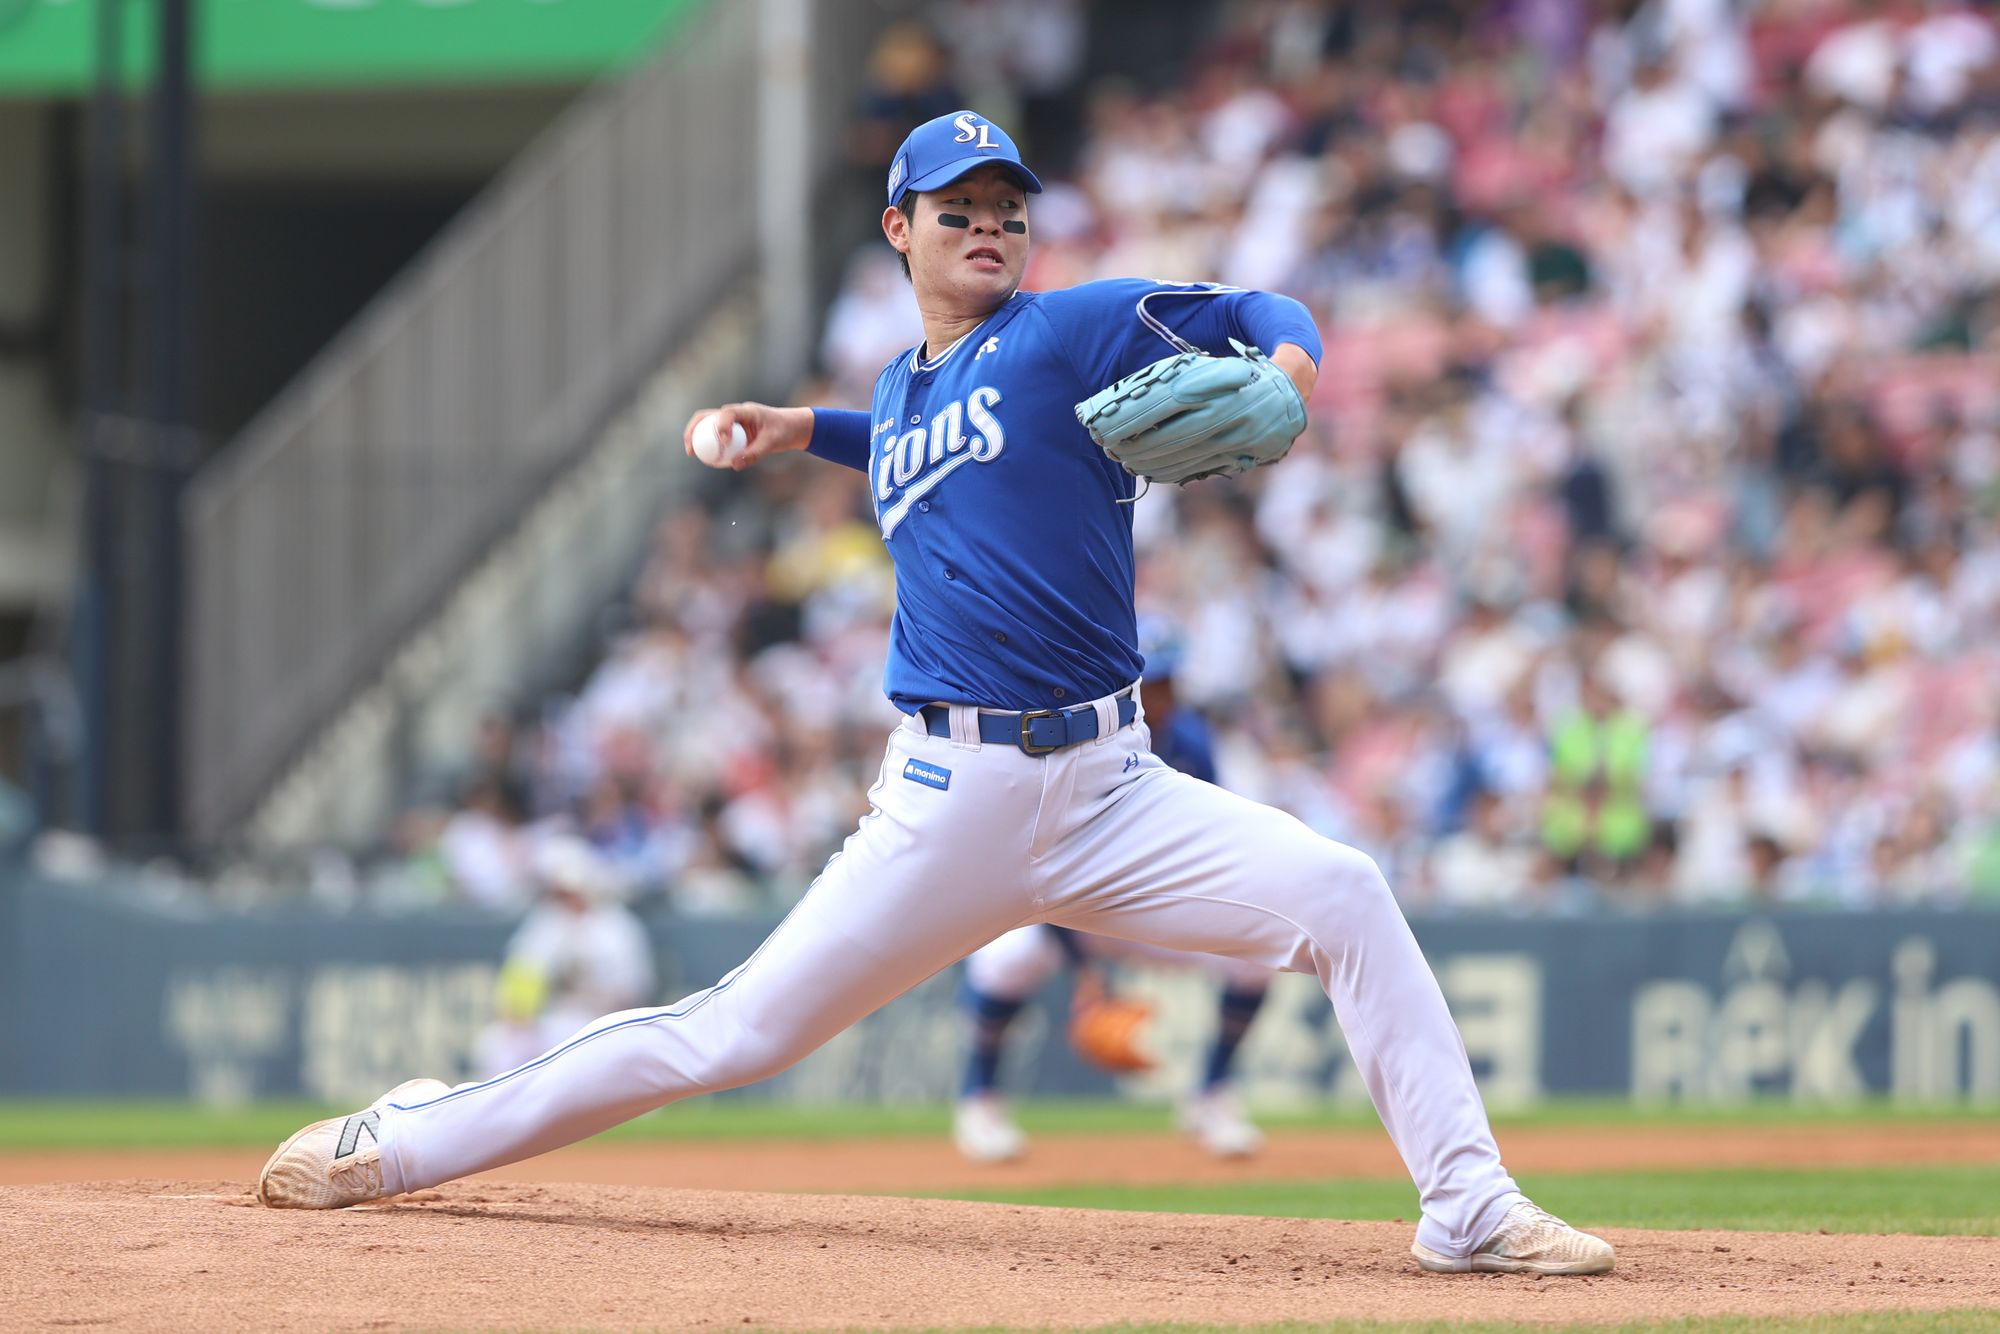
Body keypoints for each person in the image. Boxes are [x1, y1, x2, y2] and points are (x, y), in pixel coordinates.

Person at [258, 110, 1613, 1277]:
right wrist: (804, 429)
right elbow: (911, 434)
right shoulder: (903, 392)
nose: (988, 227)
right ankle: (407, 1138)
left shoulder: (1065, 332)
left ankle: (1467, 1205)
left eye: (1007, 209)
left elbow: (1264, 311)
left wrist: (1292, 374)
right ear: (898, 228)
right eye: (957, 209)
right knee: (730, 1032)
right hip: (949, 800)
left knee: (1344, 892)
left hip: (1112, 789)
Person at [954, 620, 1272, 1162]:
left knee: (1255, 956)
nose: (1163, 695)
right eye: (1154, 683)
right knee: (1002, 961)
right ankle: (979, 1101)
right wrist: (1089, 976)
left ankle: (1211, 1097)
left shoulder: (1191, 742)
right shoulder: (1080, 736)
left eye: (1170, 683)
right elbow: (1040, 866)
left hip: (1145, 907)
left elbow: (1205, 840)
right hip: (1065, 911)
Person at [475, 836, 657, 1079]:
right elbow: (519, 977)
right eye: (558, 890)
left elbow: (635, 989)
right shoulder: (545, 923)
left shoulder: (617, 926)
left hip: (599, 1020)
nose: (563, 896)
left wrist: (594, 989)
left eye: (568, 889)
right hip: (552, 1017)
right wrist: (521, 1014)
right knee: (498, 1043)